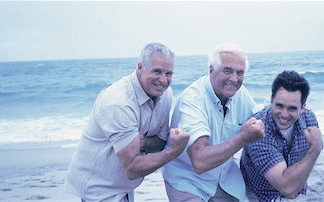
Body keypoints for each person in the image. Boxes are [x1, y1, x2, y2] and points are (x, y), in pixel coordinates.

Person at [66, 42, 190, 202]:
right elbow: (132, 167)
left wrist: (142, 142)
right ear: (140, 68)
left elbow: (160, 142)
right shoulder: (118, 102)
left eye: (169, 73)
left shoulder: (165, 93)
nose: (163, 80)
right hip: (97, 188)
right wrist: (173, 151)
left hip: (123, 186)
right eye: (157, 71)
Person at [162, 43, 265, 201]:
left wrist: (297, 109)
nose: (234, 79)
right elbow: (200, 161)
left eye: (240, 73)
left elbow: (264, 117)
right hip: (188, 180)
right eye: (227, 70)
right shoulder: (193, 99)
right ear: (211, 70)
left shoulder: (241, 94)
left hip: (226, 179)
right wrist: (243, 137)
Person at [240, 70, 323, 202]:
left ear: (303, 108)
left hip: (296, 190)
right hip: (260, 194)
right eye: (279, 106)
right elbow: (287, 188)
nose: (284, 114)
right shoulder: (257, 131)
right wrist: (316, 148)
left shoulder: (309, 120)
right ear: (271, 100)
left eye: (292, 108)